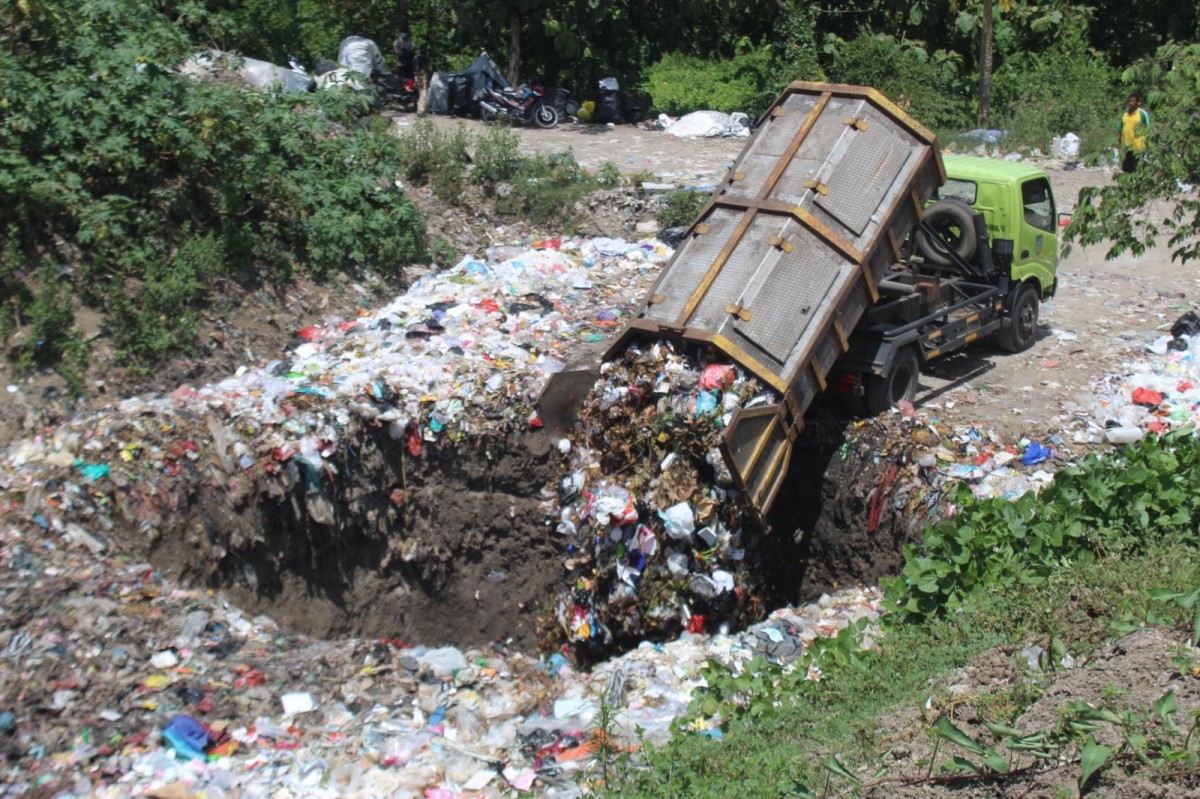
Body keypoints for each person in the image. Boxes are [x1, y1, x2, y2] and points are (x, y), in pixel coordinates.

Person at [1116, 92, 1149, 174]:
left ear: (1137, 103)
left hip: (1137, 147)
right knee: (1126, 169)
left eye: (1133, 101)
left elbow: (1148, 128)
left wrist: (1147, 143)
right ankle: (1127, 185)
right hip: (1126, 146)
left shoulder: (1142, 114)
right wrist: (1118, 142)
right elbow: (1120, 128)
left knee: (1136, 169)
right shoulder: (1125, 113)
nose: (1131, 103)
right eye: (1130, 101)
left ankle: (1136, 185)